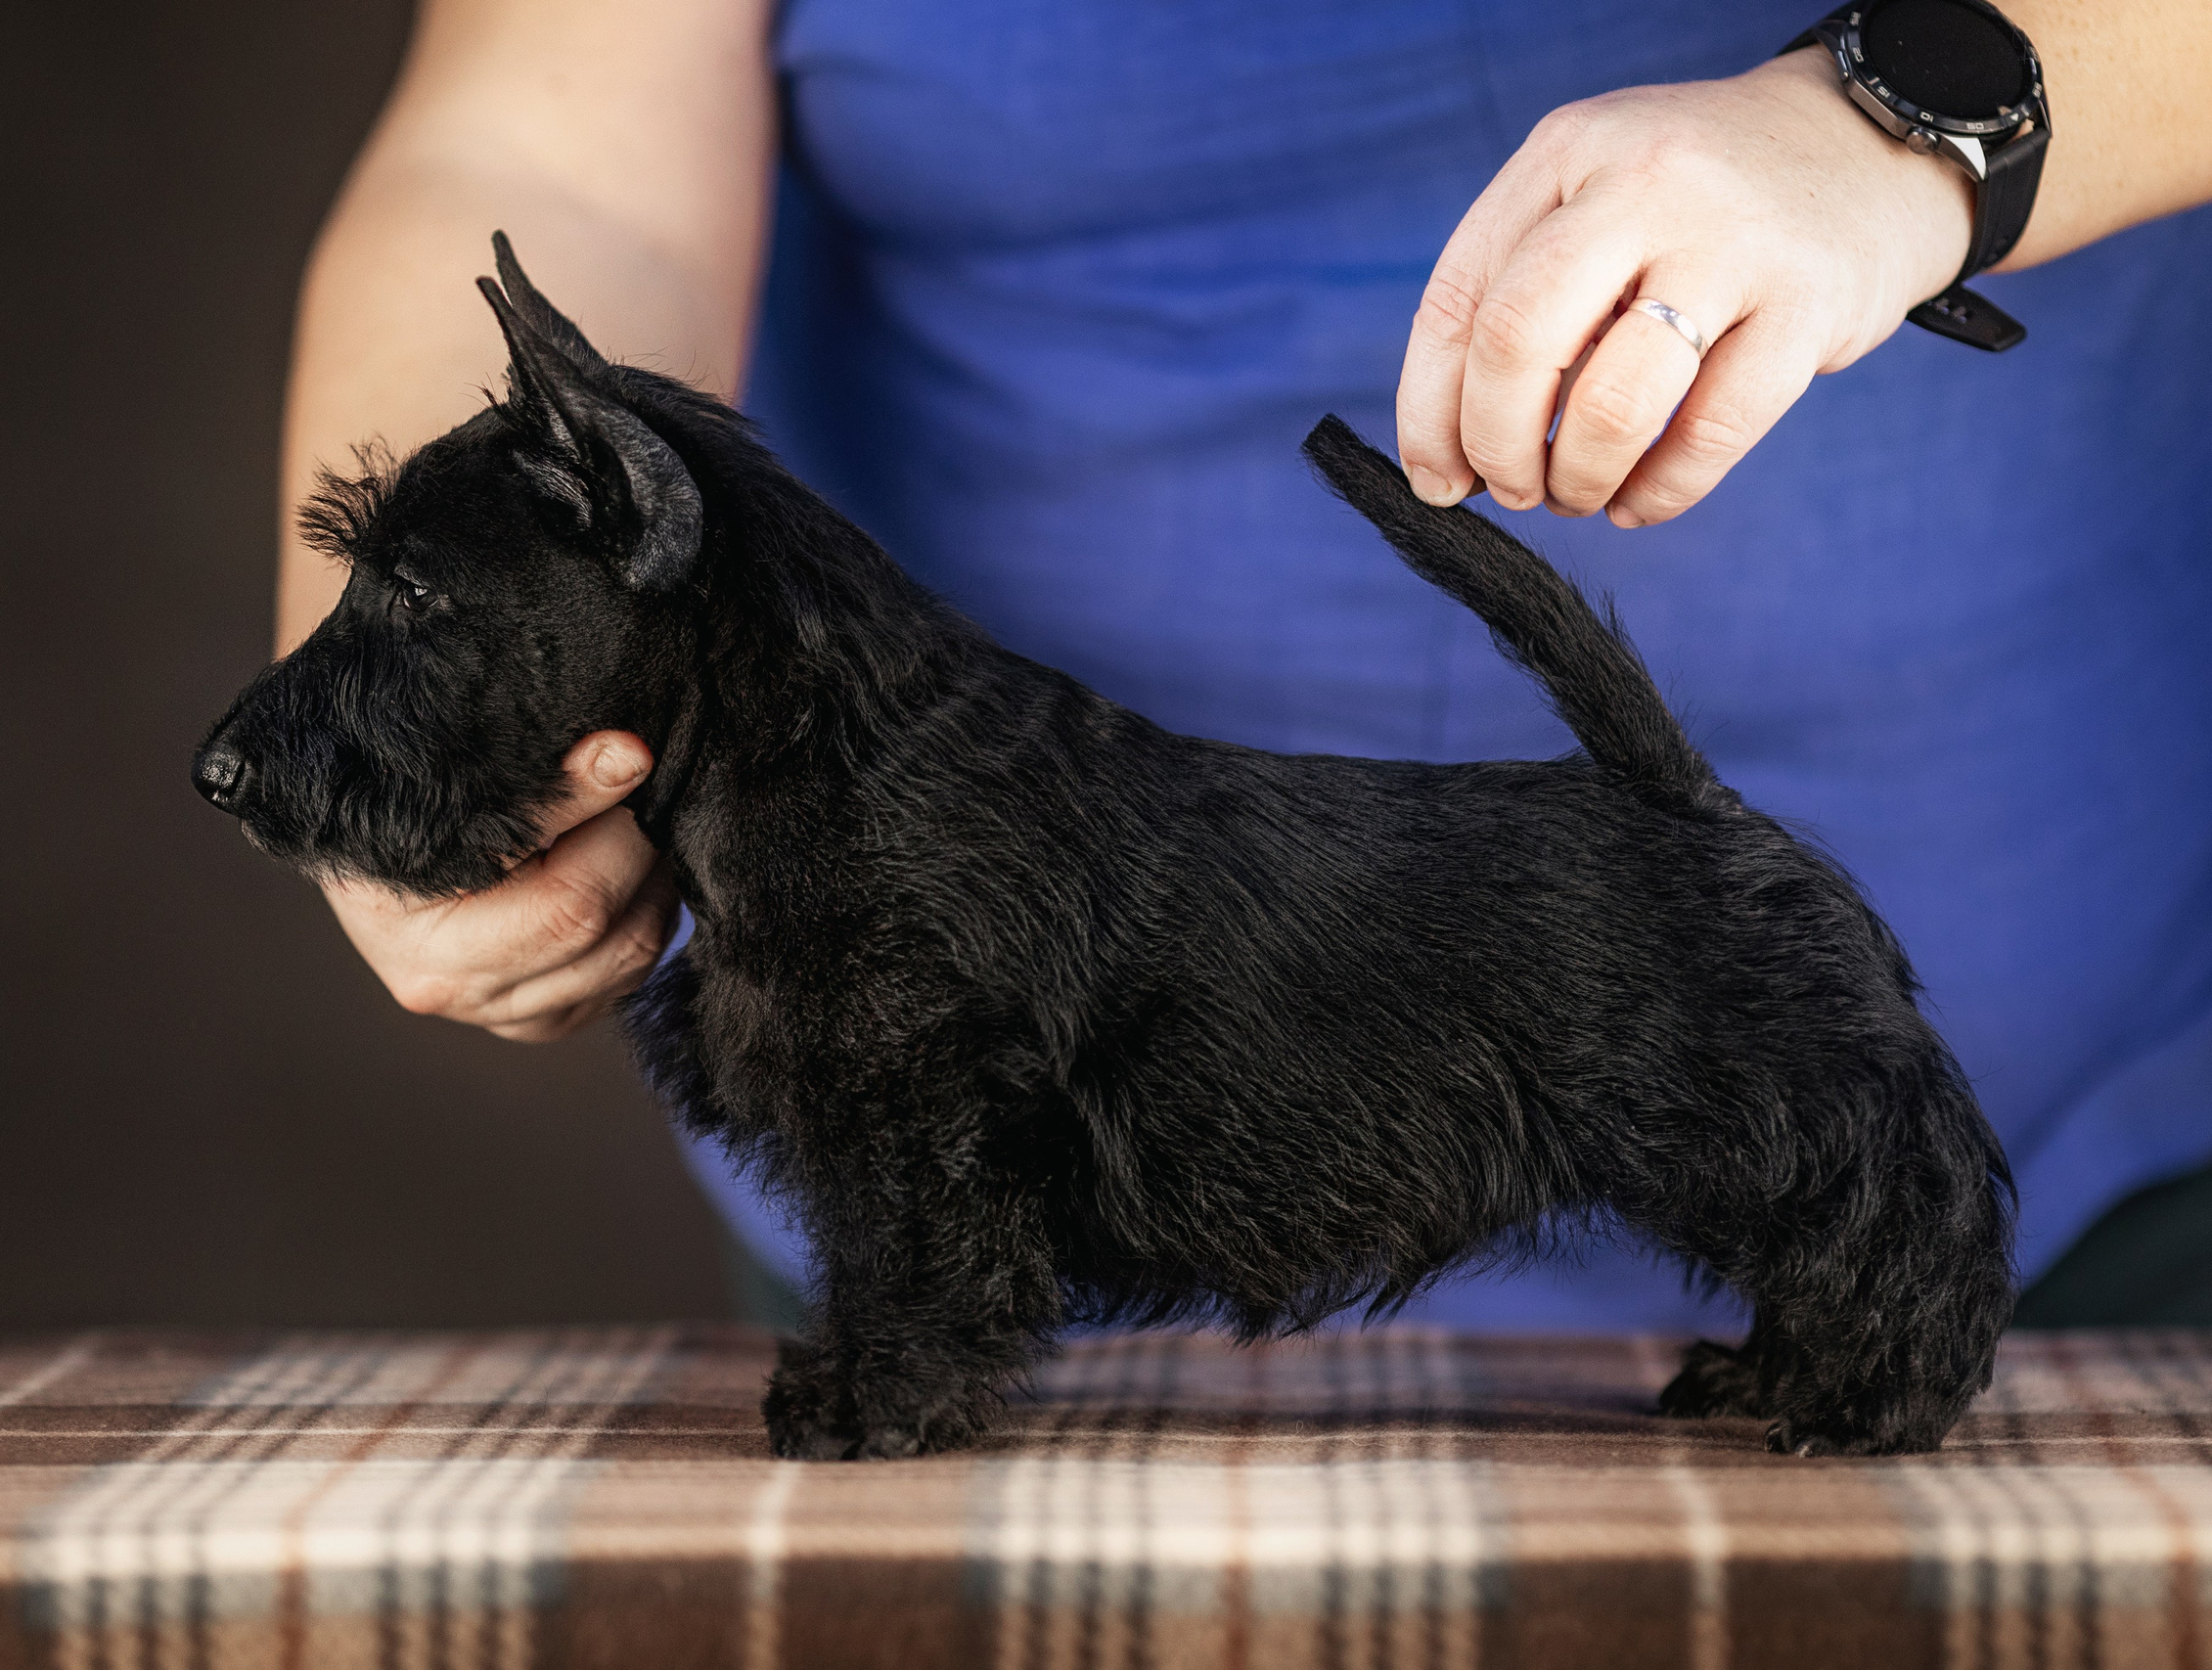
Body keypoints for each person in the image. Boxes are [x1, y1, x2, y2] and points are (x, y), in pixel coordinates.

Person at [276, 0, 2212, 1329]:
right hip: (1000, 1122)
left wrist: (1900, 117)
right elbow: (548, 135)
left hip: (2085, 1150)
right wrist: (447, 643)